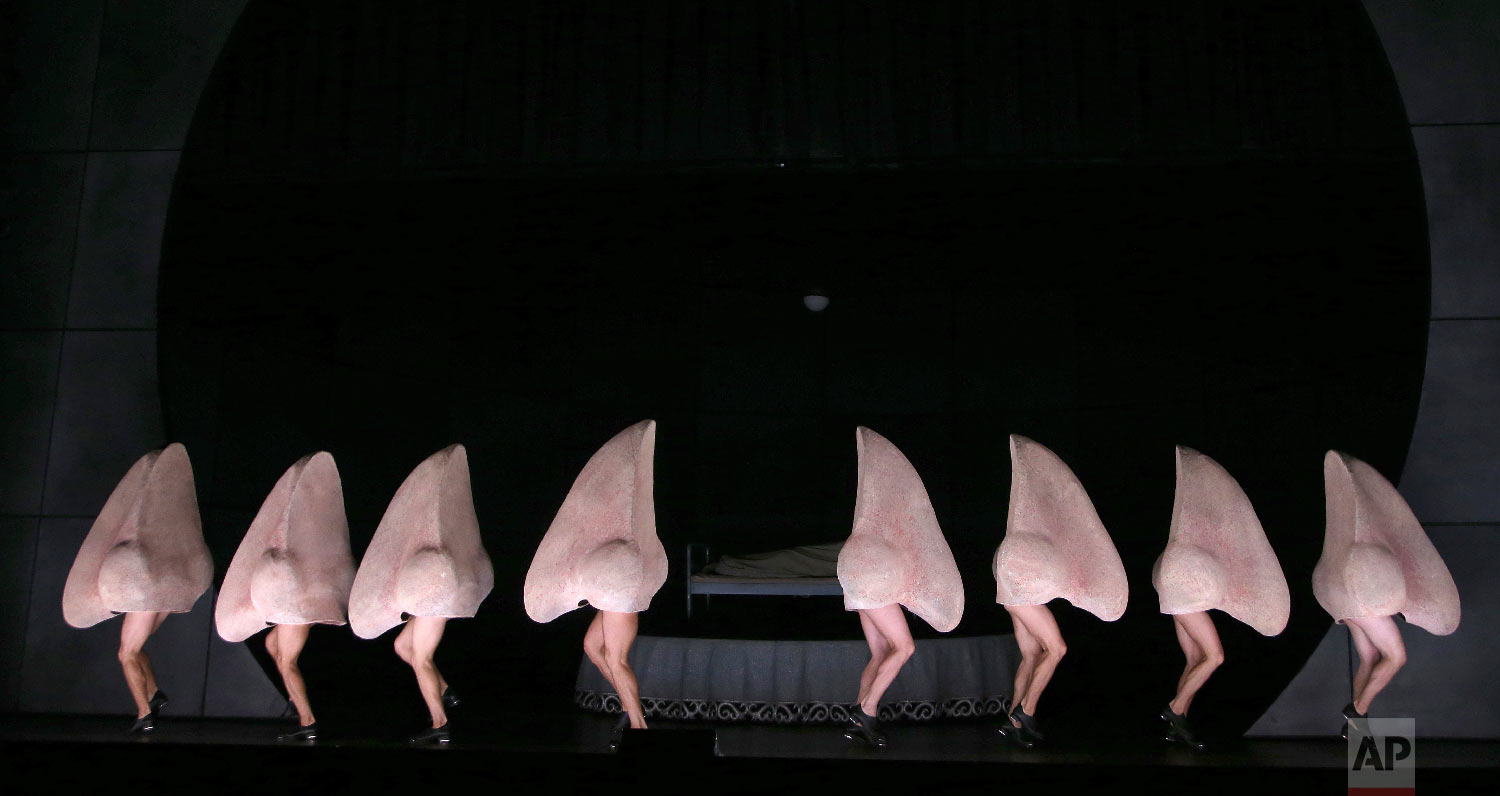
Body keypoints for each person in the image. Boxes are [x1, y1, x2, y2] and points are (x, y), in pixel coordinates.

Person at [843, 603, 917, 748]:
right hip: (876, 586)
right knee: (905, 647)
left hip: (861, 586)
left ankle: (857, 722)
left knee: (880, 654)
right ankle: (866, 709)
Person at [996, 603, 1066, 748]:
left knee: (1031, 657)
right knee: (1057, 649)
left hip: (1010, 594)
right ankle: (1026, 711)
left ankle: (1015, 722)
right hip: (1023, 594)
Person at [1158, 611, 1223, 750]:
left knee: (1194, 661)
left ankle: (1175, 729)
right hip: (1186, 597)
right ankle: (1175, 709)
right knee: (1215, 657)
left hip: (1177, 597)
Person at [393, 615, 462, 743]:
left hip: (434, 603)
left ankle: (440, 723)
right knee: (402, 646)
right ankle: (444, 691)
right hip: (426, 603)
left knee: (421, 660)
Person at [581, 609, 647, 744]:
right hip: (610, 595)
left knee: (616, 660)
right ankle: (630, 706)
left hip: (619, 595)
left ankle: (638, 725)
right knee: (592, 646)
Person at [1339, 615, 1406, 738]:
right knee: (1396, 657)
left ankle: (1358, 730)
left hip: (1342, 601)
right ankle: (1357, 711)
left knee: (1369, 658)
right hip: (1363, 602)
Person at [118, 611, 171, 733]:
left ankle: (144, 713)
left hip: (148, 597)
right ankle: (154, 694)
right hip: (167, 597)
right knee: (136, 649)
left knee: (127, 654)